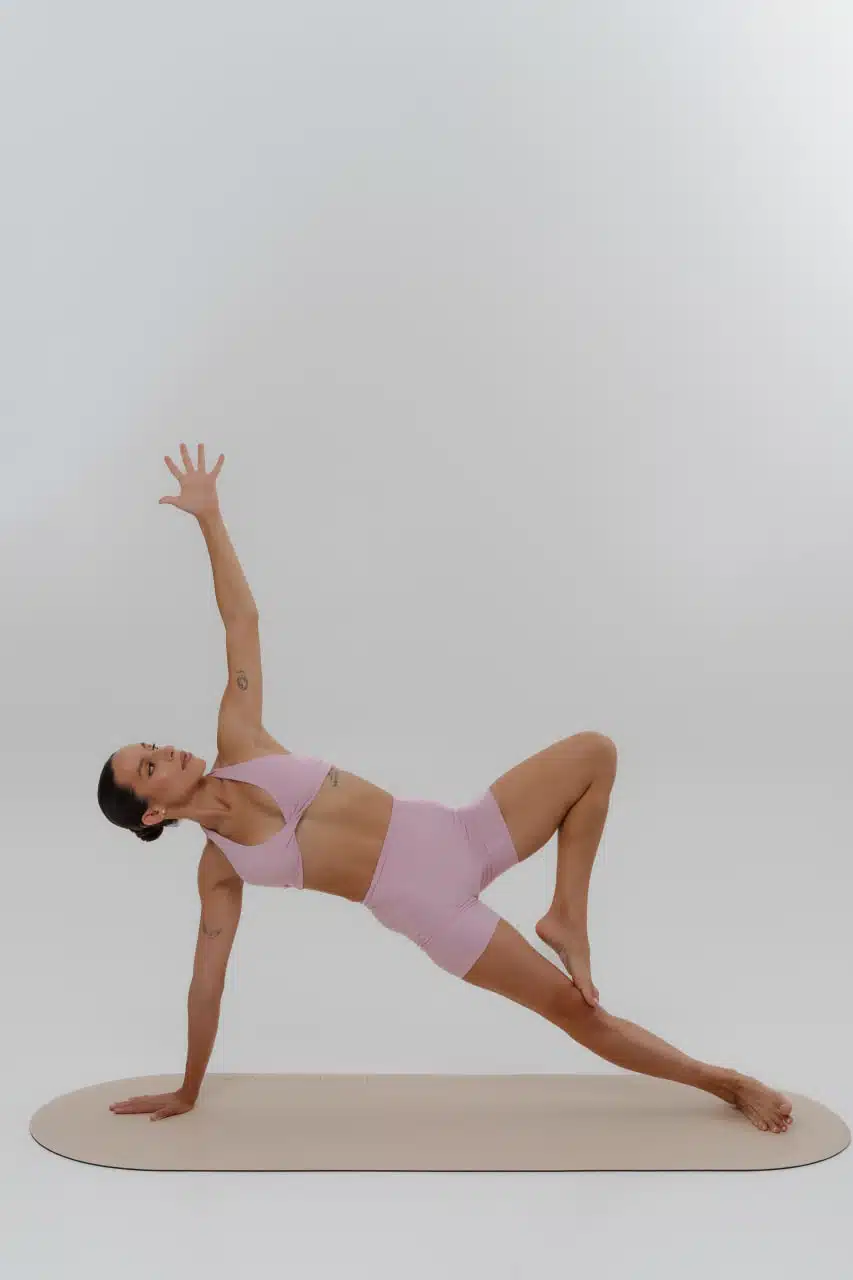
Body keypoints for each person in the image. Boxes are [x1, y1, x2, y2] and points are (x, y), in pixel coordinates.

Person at [102, 445, 794, 1135]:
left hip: (462, 832)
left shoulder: (242, 739)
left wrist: (209, 519)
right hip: (436, 912)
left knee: (595, 753)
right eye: (150, 767)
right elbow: (207, 984)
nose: (166, 752)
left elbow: (242, 623)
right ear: (153, 811)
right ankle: (725, 1082)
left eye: (152, 747)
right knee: (576, 1013)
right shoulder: (221, 870)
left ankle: (566, 916)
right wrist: (188, 1089)